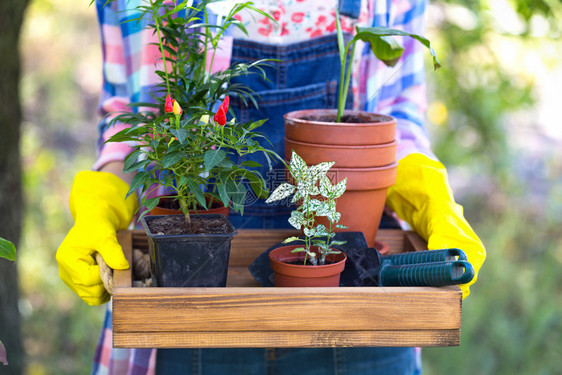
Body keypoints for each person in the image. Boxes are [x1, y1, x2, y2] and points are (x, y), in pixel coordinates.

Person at [56, 0, 486, 374]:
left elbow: (394, 113)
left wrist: (427, 196)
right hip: (193, 312)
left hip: (359, 312)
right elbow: (141, 119)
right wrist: (104, 201)